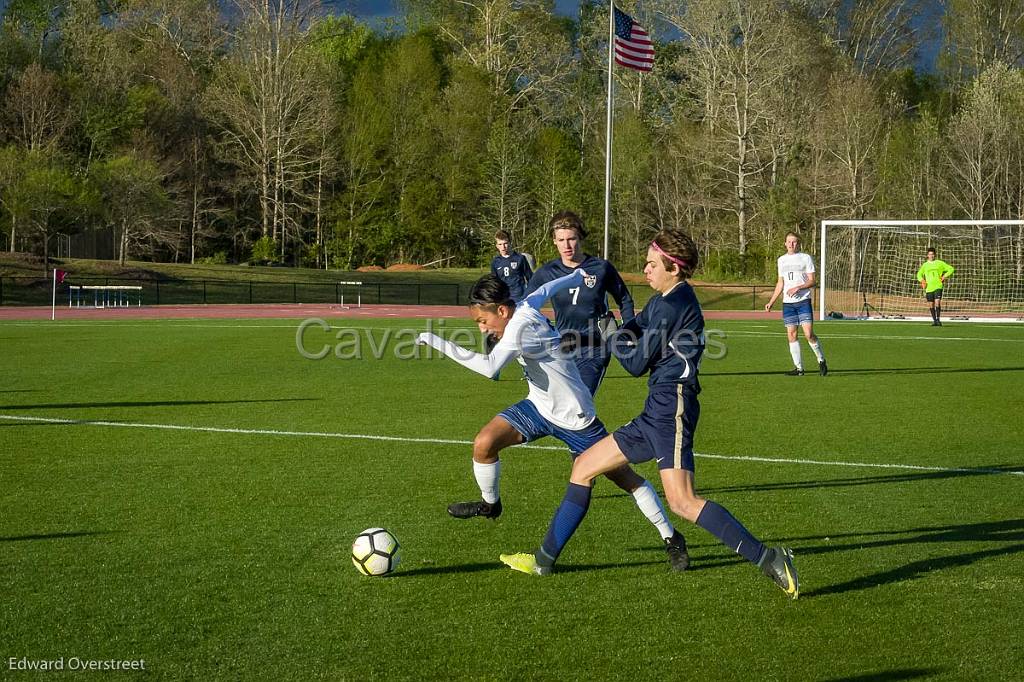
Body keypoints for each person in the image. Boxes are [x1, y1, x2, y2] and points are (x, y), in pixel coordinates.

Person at [499, 228, 800, 599]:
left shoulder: (674, 305)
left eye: (652, 263)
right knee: (584, 467)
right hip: (656, 408)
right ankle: (543, 561)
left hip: (673, 405)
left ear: (673, 268)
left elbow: (636, 363)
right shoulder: (664, 298)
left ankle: (771, 559)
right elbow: (633, 329)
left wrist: (610, 334)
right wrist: (615, 328)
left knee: (683, 501)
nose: (645, 270)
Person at [416, 271, 689, 570]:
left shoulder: (520, 328)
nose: (482, 329)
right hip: (539, 407)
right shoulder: (524, 306)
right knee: (484, 443)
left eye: (484, 321)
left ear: (503, 310)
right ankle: (490, 504)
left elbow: (490, 368)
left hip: (576, 418)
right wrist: (574, 275)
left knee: (627, 480)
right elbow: (546, 287)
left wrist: (434, 340)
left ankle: (672, 538)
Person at [526, 211, 634, 396]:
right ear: (554, 241)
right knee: (558, 404)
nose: (566, 245)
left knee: (580, 400)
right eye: (561, 240)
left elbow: (624, 299)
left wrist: (629, 330)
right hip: (560, 347)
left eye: (571, 239)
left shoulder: (601, 268)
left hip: (594, 348)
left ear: (580, 238)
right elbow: (525, 306)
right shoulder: (547, 272)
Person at [764, 231, 827, 376]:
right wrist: (771, 301)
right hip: (788, 304)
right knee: (791, 335)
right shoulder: (781, 260)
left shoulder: (805, 258)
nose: (792, 244)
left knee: (808, 334)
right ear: (785, 243)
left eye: (794, 242)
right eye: (789, 242)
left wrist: (798, 287)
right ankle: (799, 369)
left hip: (803, 301)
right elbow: (780, 282)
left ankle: (821, 359)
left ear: (798, 243)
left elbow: (812, 281)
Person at [491, 230, 533, 303]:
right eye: (500, 244)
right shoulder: (495, 262)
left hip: (519, 297)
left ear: (510, 243)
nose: (503, 247)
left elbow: (530, 278)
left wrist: (529, 294)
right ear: (497, 246)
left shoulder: (520, 258)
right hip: (503, 297)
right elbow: (494, 282)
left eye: (505, 243)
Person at [916, 248, 955, 326]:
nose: (931, 256)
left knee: (937, 302)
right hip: (929, 288)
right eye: (930, 254)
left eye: (932, 254)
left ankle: (938, 319)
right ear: (927, 255)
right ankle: (934, 320)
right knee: (931, 304)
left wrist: (944, 276)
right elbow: (918, 274)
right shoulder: (925, 265)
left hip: (938, 286)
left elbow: (951, 269)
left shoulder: (940, 263)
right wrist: (922, 280)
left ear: (935, 255)